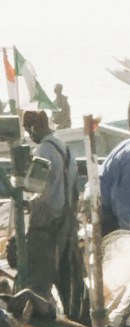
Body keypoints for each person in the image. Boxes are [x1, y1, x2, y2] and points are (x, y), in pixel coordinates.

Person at [17, 110, 74, 305]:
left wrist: (25, 200)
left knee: (38, 282)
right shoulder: (64, 148)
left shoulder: (43, 150)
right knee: (62, 277)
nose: (29, 135)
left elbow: (35, 187)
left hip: (45, 224)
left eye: (28, 130)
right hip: (65, 221)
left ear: (34, 128)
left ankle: (36, 318)